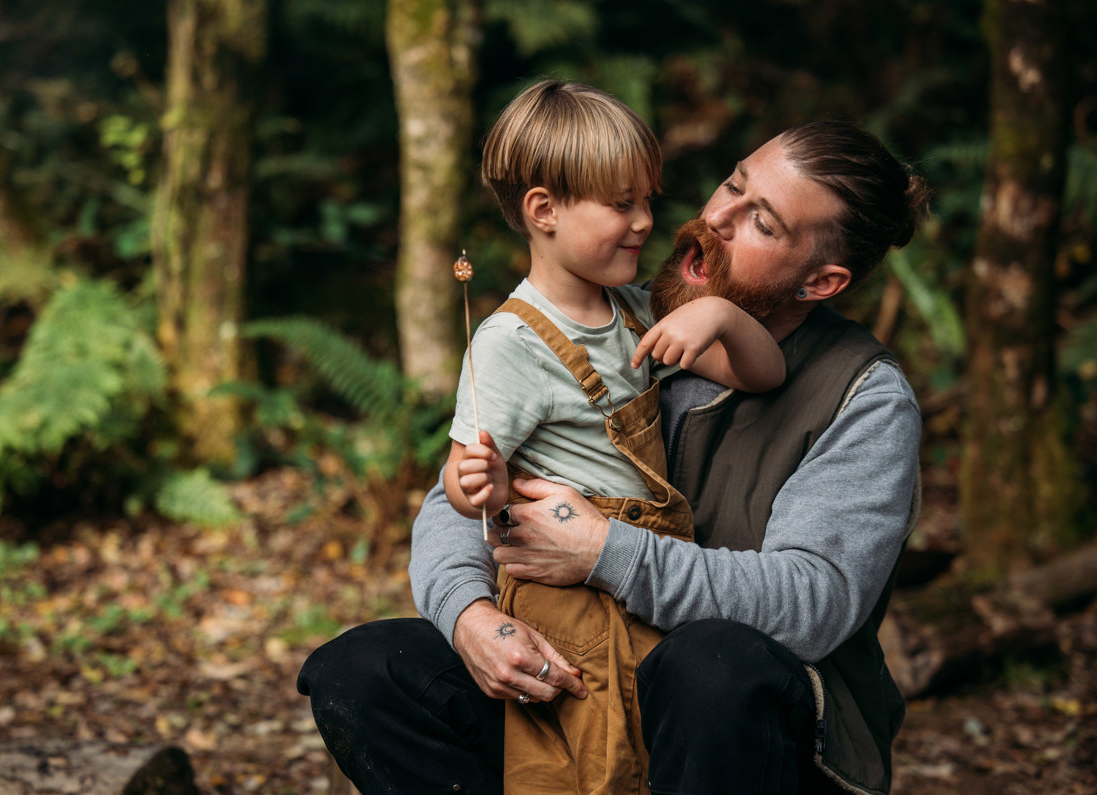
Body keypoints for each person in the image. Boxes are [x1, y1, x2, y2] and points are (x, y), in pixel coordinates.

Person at [297, 119, 928, 795]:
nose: (715, 217)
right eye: (732, 184)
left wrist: (606, 550)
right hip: (578, 665)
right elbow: (463, 495)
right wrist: (470, 617)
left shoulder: (864, 397)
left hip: (754, 736)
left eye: (762, 224)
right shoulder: (613, 315)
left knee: (711, 665)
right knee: (363, 670)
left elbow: (814, 602)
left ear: (820, 282)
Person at [441, 79, 785, 793]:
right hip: (558, 589)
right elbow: (459, 479)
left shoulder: (637, 308)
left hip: (633, 563)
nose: (644, 221)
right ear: (543, 211)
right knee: (593, 759)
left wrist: (719, 317)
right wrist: (483, 483)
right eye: (621, 203)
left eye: (647, 200)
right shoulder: (510, 341)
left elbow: (764, 374)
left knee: (649, 743)